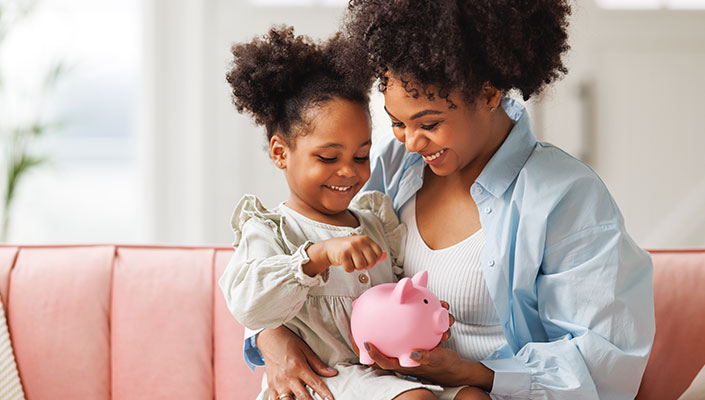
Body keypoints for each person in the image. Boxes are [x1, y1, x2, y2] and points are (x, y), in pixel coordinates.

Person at [246, 1, 656, 399]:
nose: (410, 141)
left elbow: (606, 366)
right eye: (396, 123)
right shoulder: (393, 167)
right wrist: (269, 335)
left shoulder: (566, 196)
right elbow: (290, 249)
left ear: (489, 93)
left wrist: (472, 373)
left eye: (430, 123)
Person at [220, 26, 485, 400]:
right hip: (322, 381)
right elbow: (248, 303)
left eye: (362, 156)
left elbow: (396, 292)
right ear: (281, 153)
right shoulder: (271, 230)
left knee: (473, 396)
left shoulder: (374, 220)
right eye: (328, 158)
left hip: (380, 376)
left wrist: (421, 314)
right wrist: (315, 257)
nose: (350, 172)